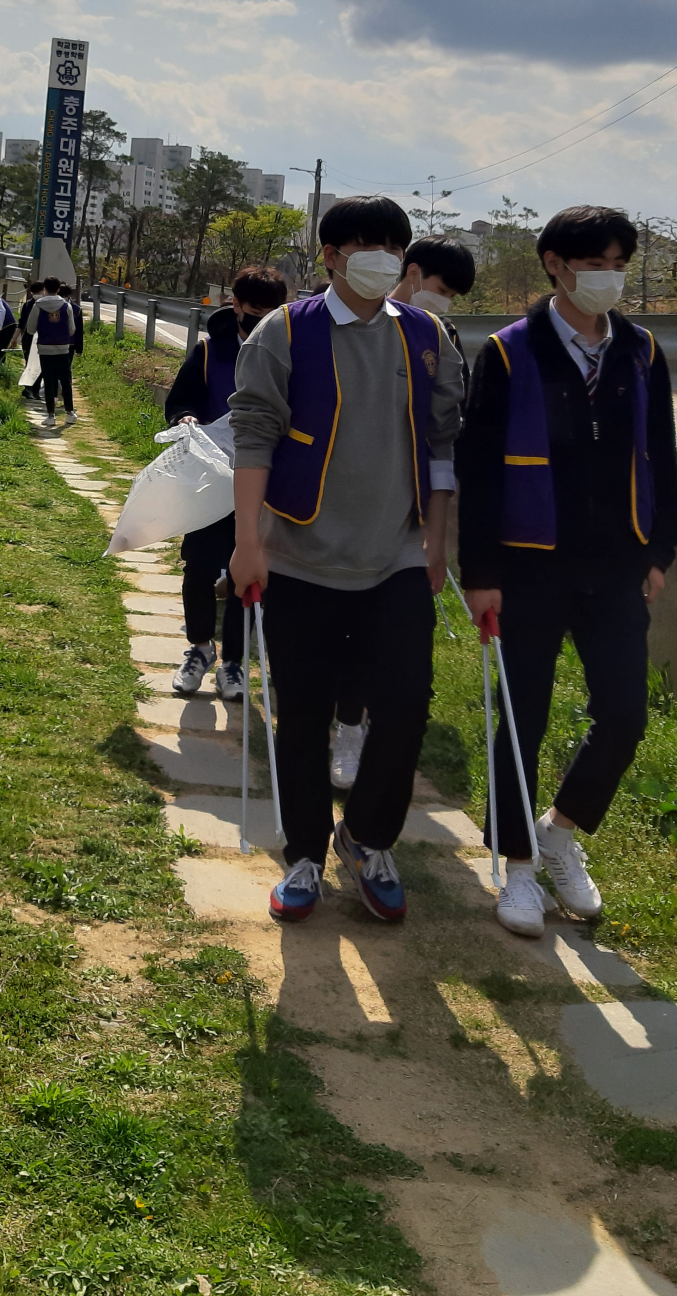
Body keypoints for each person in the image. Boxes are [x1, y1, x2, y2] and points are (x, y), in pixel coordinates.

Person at [229, 195, 464, 924]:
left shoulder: (425, 336)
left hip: (394, 556)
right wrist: (245, 543)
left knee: (404, 708)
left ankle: (365, 837)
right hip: (298, 556)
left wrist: (439, 539)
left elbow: (445, 440)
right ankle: (303, 852)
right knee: (300, 713)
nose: (380, 257)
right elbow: (254, 434)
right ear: (328, 255)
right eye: (361, 244)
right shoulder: (285, 332)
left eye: (392, 245)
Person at [457, 205, 677, 939]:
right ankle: (517, 865)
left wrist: (659, 552)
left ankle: (561, 828)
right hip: (527, 566)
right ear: (554, 262)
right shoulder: (510, 351)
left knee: (623, 714)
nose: (607, 274)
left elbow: (662, 458)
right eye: (593, 261)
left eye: (618, 260)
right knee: (523, 714)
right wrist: (480, 572)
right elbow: (480, 470)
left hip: (616, 565)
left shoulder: (641, 352)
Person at [331, 233, 477, 792]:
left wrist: (440, 528)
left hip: (413, 508)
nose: (444, 303)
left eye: (453, 297)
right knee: (343, 630)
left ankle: (358, 727)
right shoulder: (348, 322)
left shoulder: (443, 339)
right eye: (441, 289)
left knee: (386, 633)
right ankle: (339, 719)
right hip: (343, 500)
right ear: (410, 272)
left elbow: (447, 428)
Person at [165, 266, 289, 700]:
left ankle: (234, 661)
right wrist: (185, 418)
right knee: (199, 564)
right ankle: (200, 649)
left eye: (273, 312)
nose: (263, 320)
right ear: (233, 306)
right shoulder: (208, 353)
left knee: (247, 569)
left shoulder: (290, 353)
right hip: (210, 477)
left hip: (262, 484)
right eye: (254, 311)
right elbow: (180, 399)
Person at [32, 276, 78, 428]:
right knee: (65, 380)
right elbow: (72, 329)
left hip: (45, 348)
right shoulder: (66, 306)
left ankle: (50, 416)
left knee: (49, 380)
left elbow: (31, 328)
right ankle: (69, 413)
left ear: (44, 289)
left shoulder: (37, 305)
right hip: (63, 348)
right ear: (58, 289)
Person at [18, 280, 44, 398]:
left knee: (40, 365)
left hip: (34, 337)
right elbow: (22, 322)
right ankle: (29, 389)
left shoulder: (32, 304)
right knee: (31, 364)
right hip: (31, 338)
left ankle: (35, 390)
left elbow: (21, 323)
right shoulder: (29, 305)